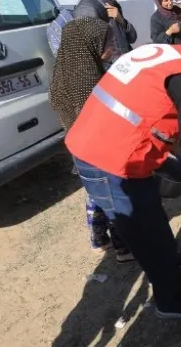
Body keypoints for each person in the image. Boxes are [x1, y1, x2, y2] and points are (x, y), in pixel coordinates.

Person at [65, 29, 181, 319]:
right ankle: (171, 302)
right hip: (107, 160)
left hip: (108, 140)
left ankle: (167, 260)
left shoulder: (170, 53)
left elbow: (161, 119)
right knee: (147, 234)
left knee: (152, 217)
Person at [48, 18, 131, 261]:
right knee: (111, 193)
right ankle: (123, 247)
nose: (113, 46)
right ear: (91, 43)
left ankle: (98, 239)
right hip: (95, 147)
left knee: (94, 192)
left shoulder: (66, 71)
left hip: (79, 147)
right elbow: (98, 120)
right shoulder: (85, 81)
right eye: (108, 41)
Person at [74, 0, 137, 67]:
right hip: (112, 76)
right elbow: (88, 56)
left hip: (124, 70)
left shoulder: (112, 5)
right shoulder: (88, 7)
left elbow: (132, 37)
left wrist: (122, 21)